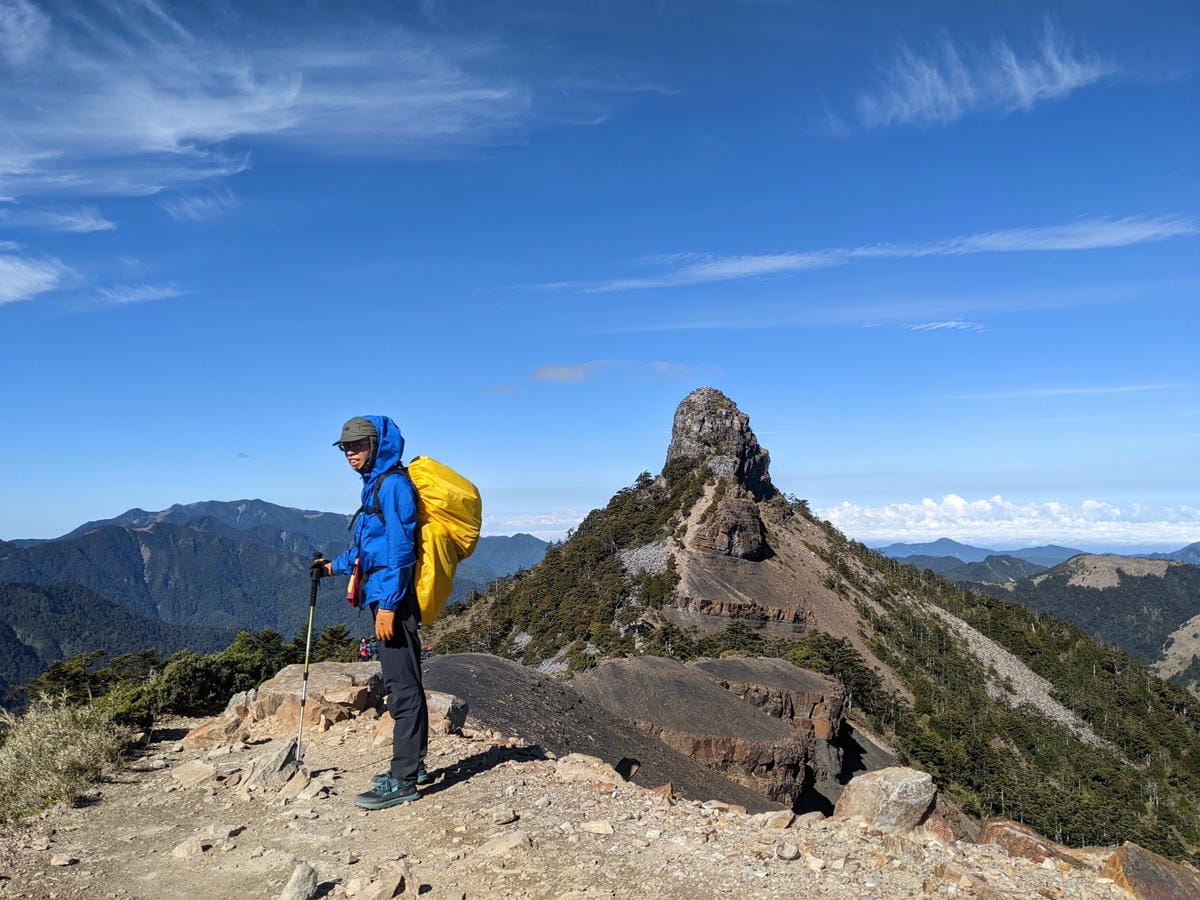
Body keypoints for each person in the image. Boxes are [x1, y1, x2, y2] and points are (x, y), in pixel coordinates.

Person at [313, 415, 429, 810]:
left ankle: (404, 779)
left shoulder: (393, 485)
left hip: (392, 600)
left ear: (377, 445)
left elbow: (401, 551)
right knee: (404, 682)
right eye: (346, 447)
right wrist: (333, 567)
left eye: (358, 445)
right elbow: (369, 549)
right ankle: (415, 766)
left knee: (402, 687)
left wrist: (390, 606)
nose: (350, 453)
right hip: (383, 596)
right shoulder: (375, 484)